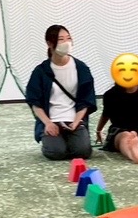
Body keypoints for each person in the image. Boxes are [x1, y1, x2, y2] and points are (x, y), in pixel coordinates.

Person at [25, 24, 97, 161]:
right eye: (61, 39)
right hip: (52, 120)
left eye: (68, 38)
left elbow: (86, 99)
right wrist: (48, 123)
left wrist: (77, 121)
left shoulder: (81, 68)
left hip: (74, 120)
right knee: (56, 152)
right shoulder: (41, 71)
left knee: (82, 152)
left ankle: (70, 140)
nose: (66, 43)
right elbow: (35, 102)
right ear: (49, 43)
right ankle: (52, 141)